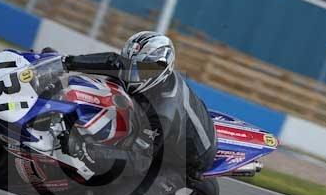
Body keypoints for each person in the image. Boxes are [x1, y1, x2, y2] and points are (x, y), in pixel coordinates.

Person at [60, 31, 217, 184]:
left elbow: (139, 160)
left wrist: (86, 151)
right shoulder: (149, 72)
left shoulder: (163, 111)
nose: (132, 71)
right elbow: (113, 62)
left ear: (160, 68)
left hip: (189, 156)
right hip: (173, 124)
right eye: (131, 64)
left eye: (140, 67)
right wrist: (65, 62)